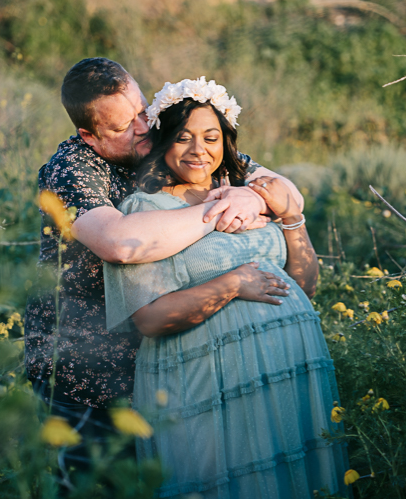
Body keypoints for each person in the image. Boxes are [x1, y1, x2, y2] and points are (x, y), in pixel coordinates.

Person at [103, 78, 355, 499]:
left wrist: (291, 218)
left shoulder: (247, 196)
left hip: (287, 375)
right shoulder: (146, 213)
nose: (200, 150)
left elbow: (302, 283)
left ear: (228, 141)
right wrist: (232, 284)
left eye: (212, 137)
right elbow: (149, 319)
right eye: (185, 138)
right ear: (163, 141)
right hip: (207, 382)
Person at [24, 58, 299, 467]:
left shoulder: (165, 142)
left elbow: (286, 191)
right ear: (89, 135)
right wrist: (215, 206)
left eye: (140, 112)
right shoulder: (72, 170)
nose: (140, 129)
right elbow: (121, 244)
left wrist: (253, 195)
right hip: (82, 370)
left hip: (162, 365)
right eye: (120, 127)